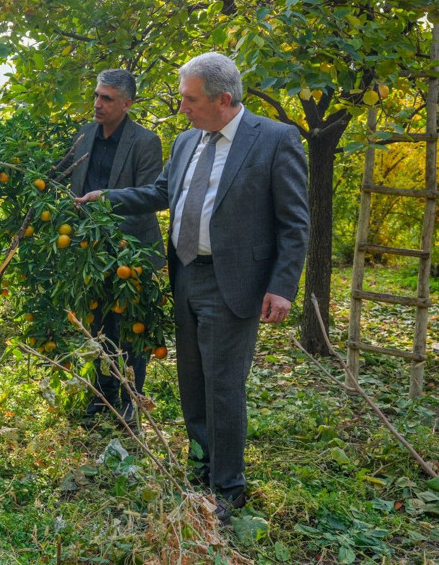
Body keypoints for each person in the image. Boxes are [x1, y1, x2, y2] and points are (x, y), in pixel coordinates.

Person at [75, 53, 309, 522]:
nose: (182, 107)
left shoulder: (275, 140)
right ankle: (202, 468)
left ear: (224, 100)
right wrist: (109, 197)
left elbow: (294, 222)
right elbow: (162, 193)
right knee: (192, 384)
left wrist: (282, 287)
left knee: (223, 386)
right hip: (184, 274)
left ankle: (229, 487)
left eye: (190, 99)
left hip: (234, 282)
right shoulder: (186, 141)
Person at [69, 68, 165, 427]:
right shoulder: (83, 135)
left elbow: (151, 196)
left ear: (126, 103)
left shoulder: (144, 141)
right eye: (96, 95)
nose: (97, 104)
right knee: (96, 326)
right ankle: (102, 399)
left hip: (132, 251)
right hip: (92, 251)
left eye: (106, 98)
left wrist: (106, 200)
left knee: (131, 330)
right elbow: (66, 178)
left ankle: (129, 401)